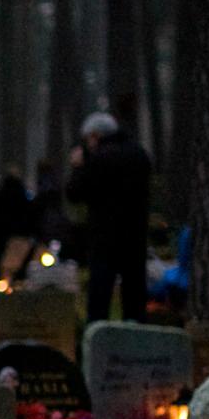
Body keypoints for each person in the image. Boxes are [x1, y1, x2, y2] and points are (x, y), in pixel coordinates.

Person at [67, 111, 154, 321]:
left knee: (99, 297)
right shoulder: (139, 154)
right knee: (134, 295)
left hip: (104, 239)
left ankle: (98, 341)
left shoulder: (99, 159)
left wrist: (78, 167)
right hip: (135, 235)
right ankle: (136, 339)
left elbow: (75, 193)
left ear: (95, 136)